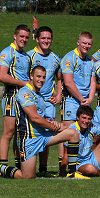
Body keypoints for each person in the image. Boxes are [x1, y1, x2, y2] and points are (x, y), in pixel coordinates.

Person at [0, 66, 87, 179]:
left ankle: (72, 172)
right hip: (28, 140)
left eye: (43, 77)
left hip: (43, 136)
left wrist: (56, 124)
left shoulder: (39, 96)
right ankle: (2, 168)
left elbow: (41, 118)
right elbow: (34, 118)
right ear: (31, 76)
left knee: (73, 132)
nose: (41, 80)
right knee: (27, 176)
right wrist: (53, 127)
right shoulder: (25, 93)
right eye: (38, 76)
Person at [27, 26, 62, 176]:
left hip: (48, 103)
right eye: (43, 38)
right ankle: (23, 164)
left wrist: (58, 94)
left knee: (47, 134)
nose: (46, 41)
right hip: (32, 101)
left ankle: (43, 169)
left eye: (48, 38)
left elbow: (59, 79)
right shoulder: (29, 56)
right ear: (37, 39)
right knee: (29, 133)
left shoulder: (55, 58)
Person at [0, 24, 31, 169]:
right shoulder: (8, 52)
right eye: (21, 36)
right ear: (15, 36)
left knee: (20, 132)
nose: (24, 39)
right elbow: (1, 75)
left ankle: (18, 165)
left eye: (26, 37)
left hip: (23, 98)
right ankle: (2, 165)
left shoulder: (26, 56)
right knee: (9, 131)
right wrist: (23, 83)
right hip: (11, 96)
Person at [69, 105, 100, 177]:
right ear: (77, 117)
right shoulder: (71, 130)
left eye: (89, 119)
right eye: (84, 118)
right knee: (89, 169)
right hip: (78, 164)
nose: (86, 121)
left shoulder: (92, 127)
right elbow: (64, 150)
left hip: (91, 158)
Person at [60, 31, 96, 127]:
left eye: (89, 44)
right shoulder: (69, 58)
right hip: (71, 100)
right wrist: (81, 99)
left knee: (84, 134)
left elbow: (93, 82)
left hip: (86, 102)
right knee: (67, 132)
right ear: (78, 42)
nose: (86, 46)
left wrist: (91, 99)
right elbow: (68, 82)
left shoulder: (90, 61)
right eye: (84, 43)